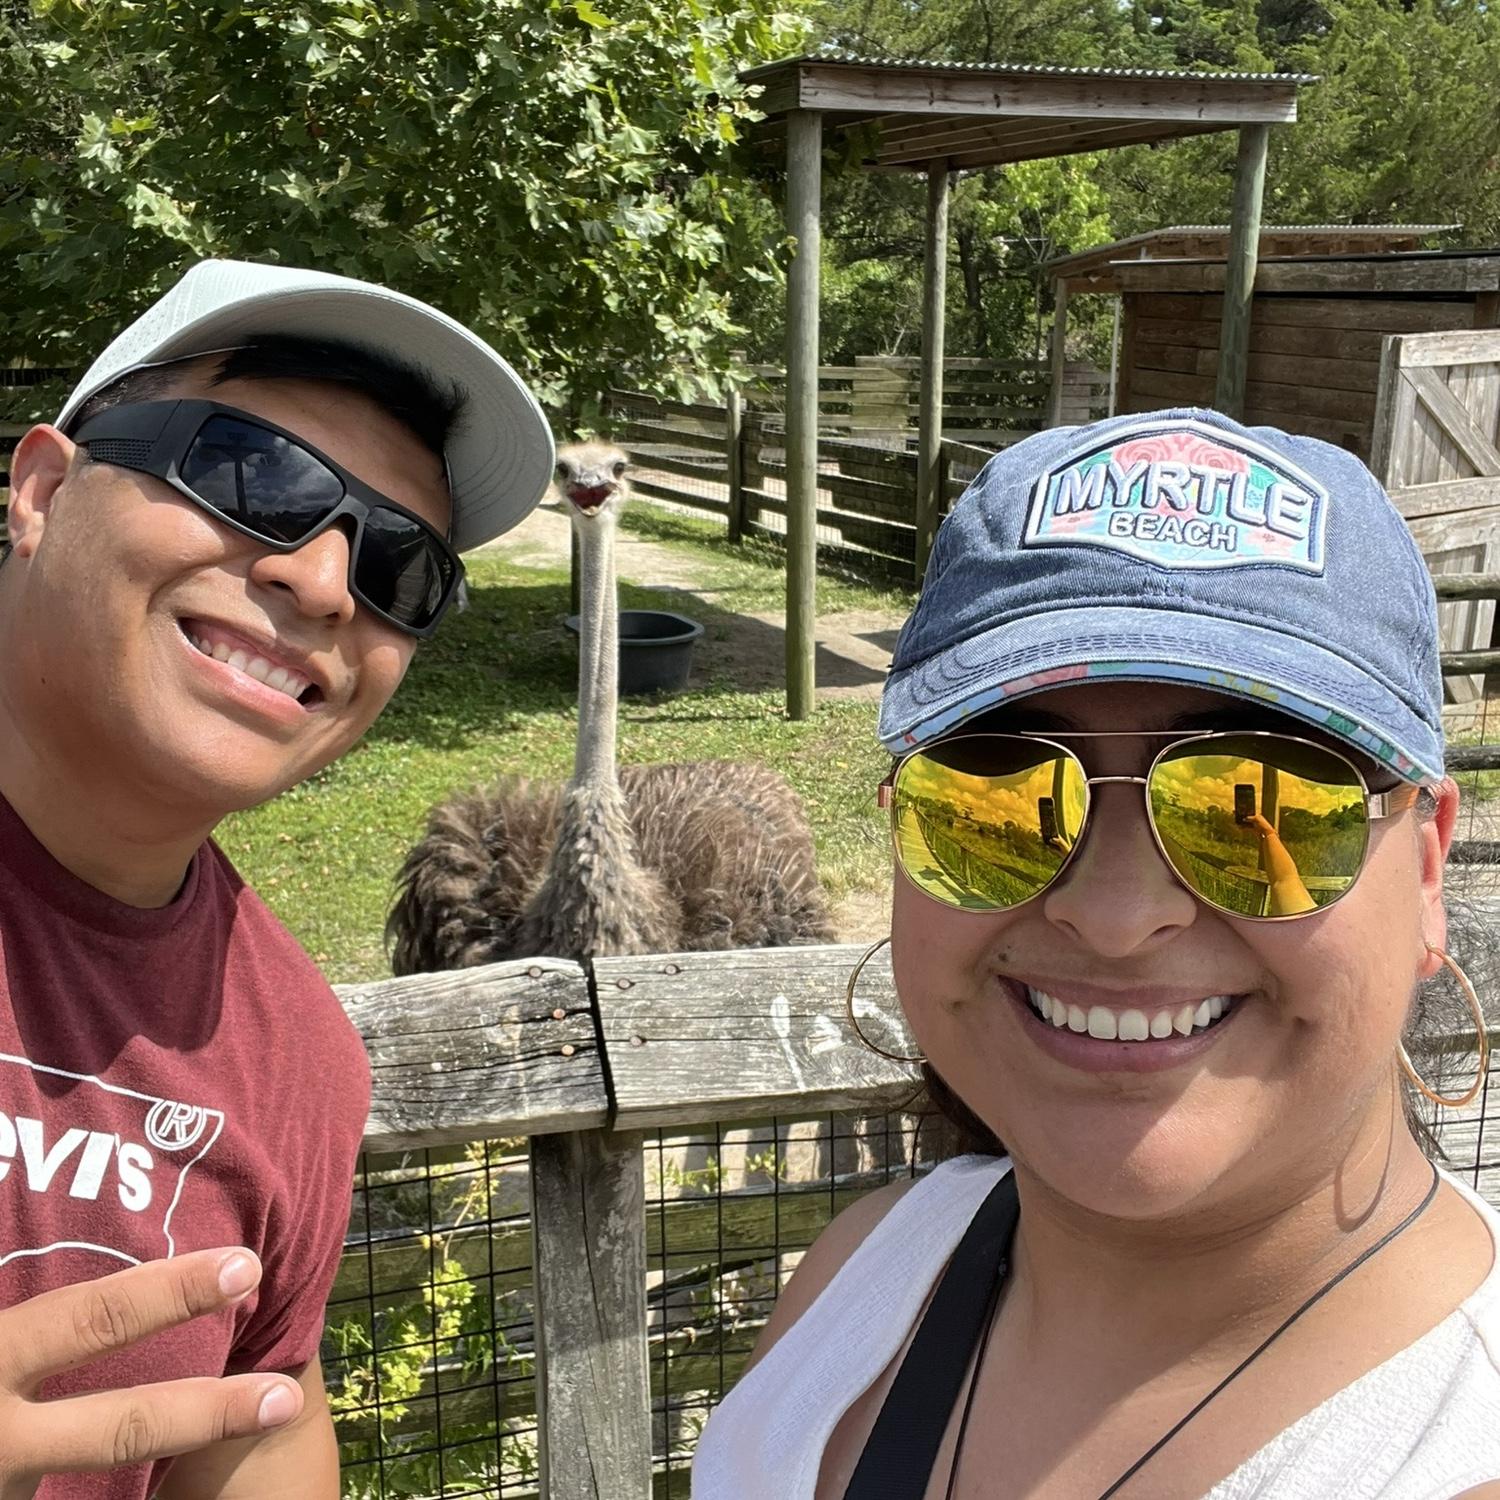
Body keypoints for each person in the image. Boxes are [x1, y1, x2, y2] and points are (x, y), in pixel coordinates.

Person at [692, 410, 1500, 1499]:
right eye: (994, 799)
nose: (1117, 916)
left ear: (1426, 869)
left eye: (1259, 806)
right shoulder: (865, 1282)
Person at [0, 259, 554, 1498]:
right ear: (43, 490)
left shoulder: (294, 1057)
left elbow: (259, 1412)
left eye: (401, 567)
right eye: (249, 472)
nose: (321, 581)